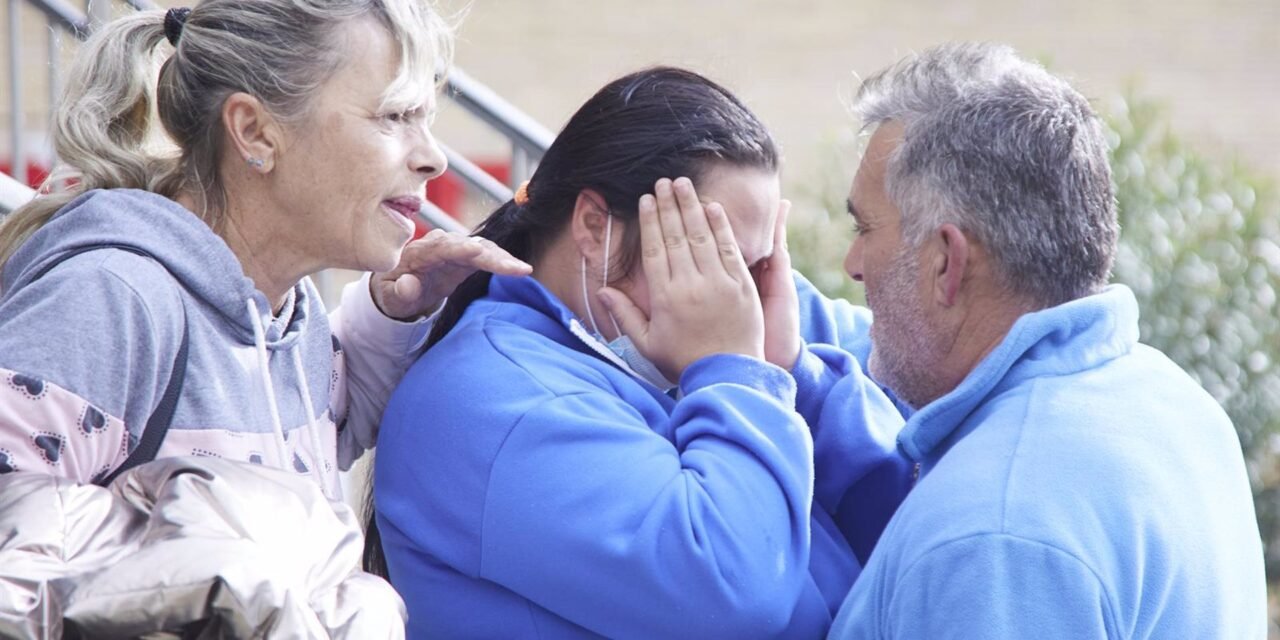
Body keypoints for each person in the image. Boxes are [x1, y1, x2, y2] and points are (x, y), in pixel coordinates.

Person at [373, 67, 913, 639]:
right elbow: (735, 593)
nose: (741, 301)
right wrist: (738, 375)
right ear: (592, 225)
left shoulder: (735, 322)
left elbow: (911, 493)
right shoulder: (484, 402)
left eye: (753, 266)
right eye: (708, 258)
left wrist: (796, 371)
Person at [783, 43, 1266, 637]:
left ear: (946, 263)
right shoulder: (1166, 398)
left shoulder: (993, 538)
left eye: (864, 228)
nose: (853, 264)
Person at [0, 0, 528, 495]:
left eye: (425, 118)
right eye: (393, 115)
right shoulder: (107, 303)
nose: (433, 158)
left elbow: (308, 429)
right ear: (254, 132)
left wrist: (394, 311)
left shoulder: (286, 315)